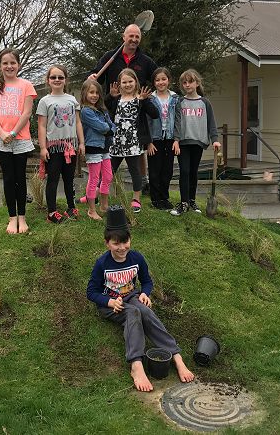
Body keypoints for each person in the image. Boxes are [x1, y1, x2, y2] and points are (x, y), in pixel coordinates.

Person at [86, 210, 195, 392]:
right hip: (111, 305)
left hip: (131, 296)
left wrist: (145, 293)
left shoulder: (137, 258)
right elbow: (91, 292)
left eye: (125, 242)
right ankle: (136, 364)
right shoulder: (102, 263)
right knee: (133, 312)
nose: (122, 247)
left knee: (144, 310)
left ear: (130, 239)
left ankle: (176, 356)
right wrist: (110, 302)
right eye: (116, 243)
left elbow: (147, 281)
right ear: (107, 243)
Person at [84, 23, 158, 199]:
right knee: (108, 163)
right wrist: (93, 77)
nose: (134, 39)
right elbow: (96, 77)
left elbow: (158, 78)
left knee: (136, 160)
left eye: (137, 37)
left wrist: (147, 96)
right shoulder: (110, 57)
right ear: (124, 37)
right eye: (131, 36)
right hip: (113, 115)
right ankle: (97, 193)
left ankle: (141, 189)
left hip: (136, 116)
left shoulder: (145, 61)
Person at [0, 48, 36, 234]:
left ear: (18, 65)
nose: (9, 66)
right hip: (0, 138)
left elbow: (27, 113)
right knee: (8, 178)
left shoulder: (26, 85)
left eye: (13, 62)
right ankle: (12, 218)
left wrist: (12, 133)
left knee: (20, 178)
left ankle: (22, 217)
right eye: (5, 63)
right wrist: (2, 133)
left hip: (20, 138)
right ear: (0, 66)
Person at [36, 65, 85, 223]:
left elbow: (78, 122)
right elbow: (42, 126)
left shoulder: (72, 100)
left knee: (69, 179)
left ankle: (71, 207)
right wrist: (43, 147)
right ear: (48, 80)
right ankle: (52, 212)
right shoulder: (45, 101)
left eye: (60, 77)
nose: (57, 80)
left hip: (70, 147)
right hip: (53, 148)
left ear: (65, 80)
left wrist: (81, 142)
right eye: (53, 77)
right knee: (53, 180)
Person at [106, 68, 158, 213]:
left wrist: (145, 100)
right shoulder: (117, 99)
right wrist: (110, 96)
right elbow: (105, 106)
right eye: (124, 82)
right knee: (109, 170)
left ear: (136, 82)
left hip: (133, 142)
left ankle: (136, 199)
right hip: (116, 141)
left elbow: (155, 114)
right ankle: (96, 195)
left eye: (130, 81)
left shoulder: (140, 99)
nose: (127, 84)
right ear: (119, 84)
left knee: (134, 170)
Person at [171, 69, 221, 216]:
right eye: (184, 82)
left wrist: (215, 140)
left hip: (198, 142)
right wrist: (176, 140)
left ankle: (192, 201)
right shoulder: (180, 102)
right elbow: (177, 122)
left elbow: (211, 122)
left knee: (193, 172)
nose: (187, 85)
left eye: (190, 82)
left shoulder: (205, 103)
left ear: (197, 83)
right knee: (184, 171)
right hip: (183, 142)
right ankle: (183, 203)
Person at [80, 79, 115, 220]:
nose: (94, 95)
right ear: (85, 93)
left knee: (108, 176)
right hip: (93, 147)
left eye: (97, 93)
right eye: (91, 92)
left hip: (105, 146)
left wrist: (109, 129)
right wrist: (108, 129)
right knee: (94, 178)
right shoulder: (86, 111)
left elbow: (112, 126)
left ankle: (104, 206)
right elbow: (103, 127)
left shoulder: (102, 109)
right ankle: (91, 210)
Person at [146, 67, 178, 210]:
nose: (161, 82)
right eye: (157, 80)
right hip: (155, 139)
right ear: (154, 82)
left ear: (169, 80)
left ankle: (164, 197)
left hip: (170, 138)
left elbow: (178, 119)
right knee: (155, 170)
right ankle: (155, 199)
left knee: (167, 170)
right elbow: (146, 121)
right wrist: (148, 142)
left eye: (163, 79)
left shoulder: (175, 98)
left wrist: (177, 139)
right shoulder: (150, 99)